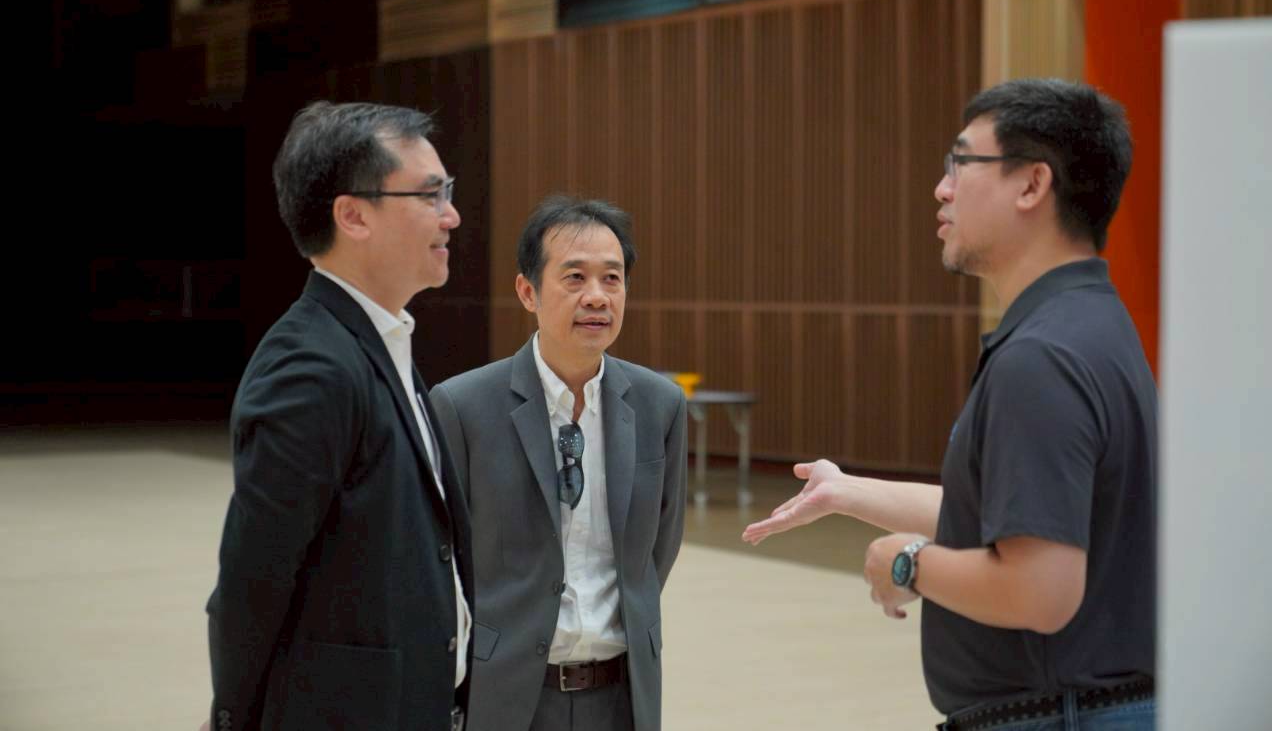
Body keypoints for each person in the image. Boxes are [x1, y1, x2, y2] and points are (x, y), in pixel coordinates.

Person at [745, 78, 1157, 730]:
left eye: (961, 163)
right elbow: (1016, 518)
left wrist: (908, 561)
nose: (942, 189)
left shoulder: (1041, 358)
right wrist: (845, 492)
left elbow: (1040, 589)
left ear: (1032, 184)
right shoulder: (1090, 322)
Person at [203, 102, 471, 731]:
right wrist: (232, 718)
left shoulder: (378, 340)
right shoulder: (310, 366)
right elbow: (255, 574)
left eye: (448, 192)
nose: (451, 215)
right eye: (430, 194)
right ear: (353, 215)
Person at [430, 196, 687, 731]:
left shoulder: (659, 404)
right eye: (574, 277)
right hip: (508, 691)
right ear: (528, 291)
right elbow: (441, 559)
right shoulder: (462, 406)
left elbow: (658, 549)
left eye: (612, 279)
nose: (597, 296)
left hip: (623, 694)